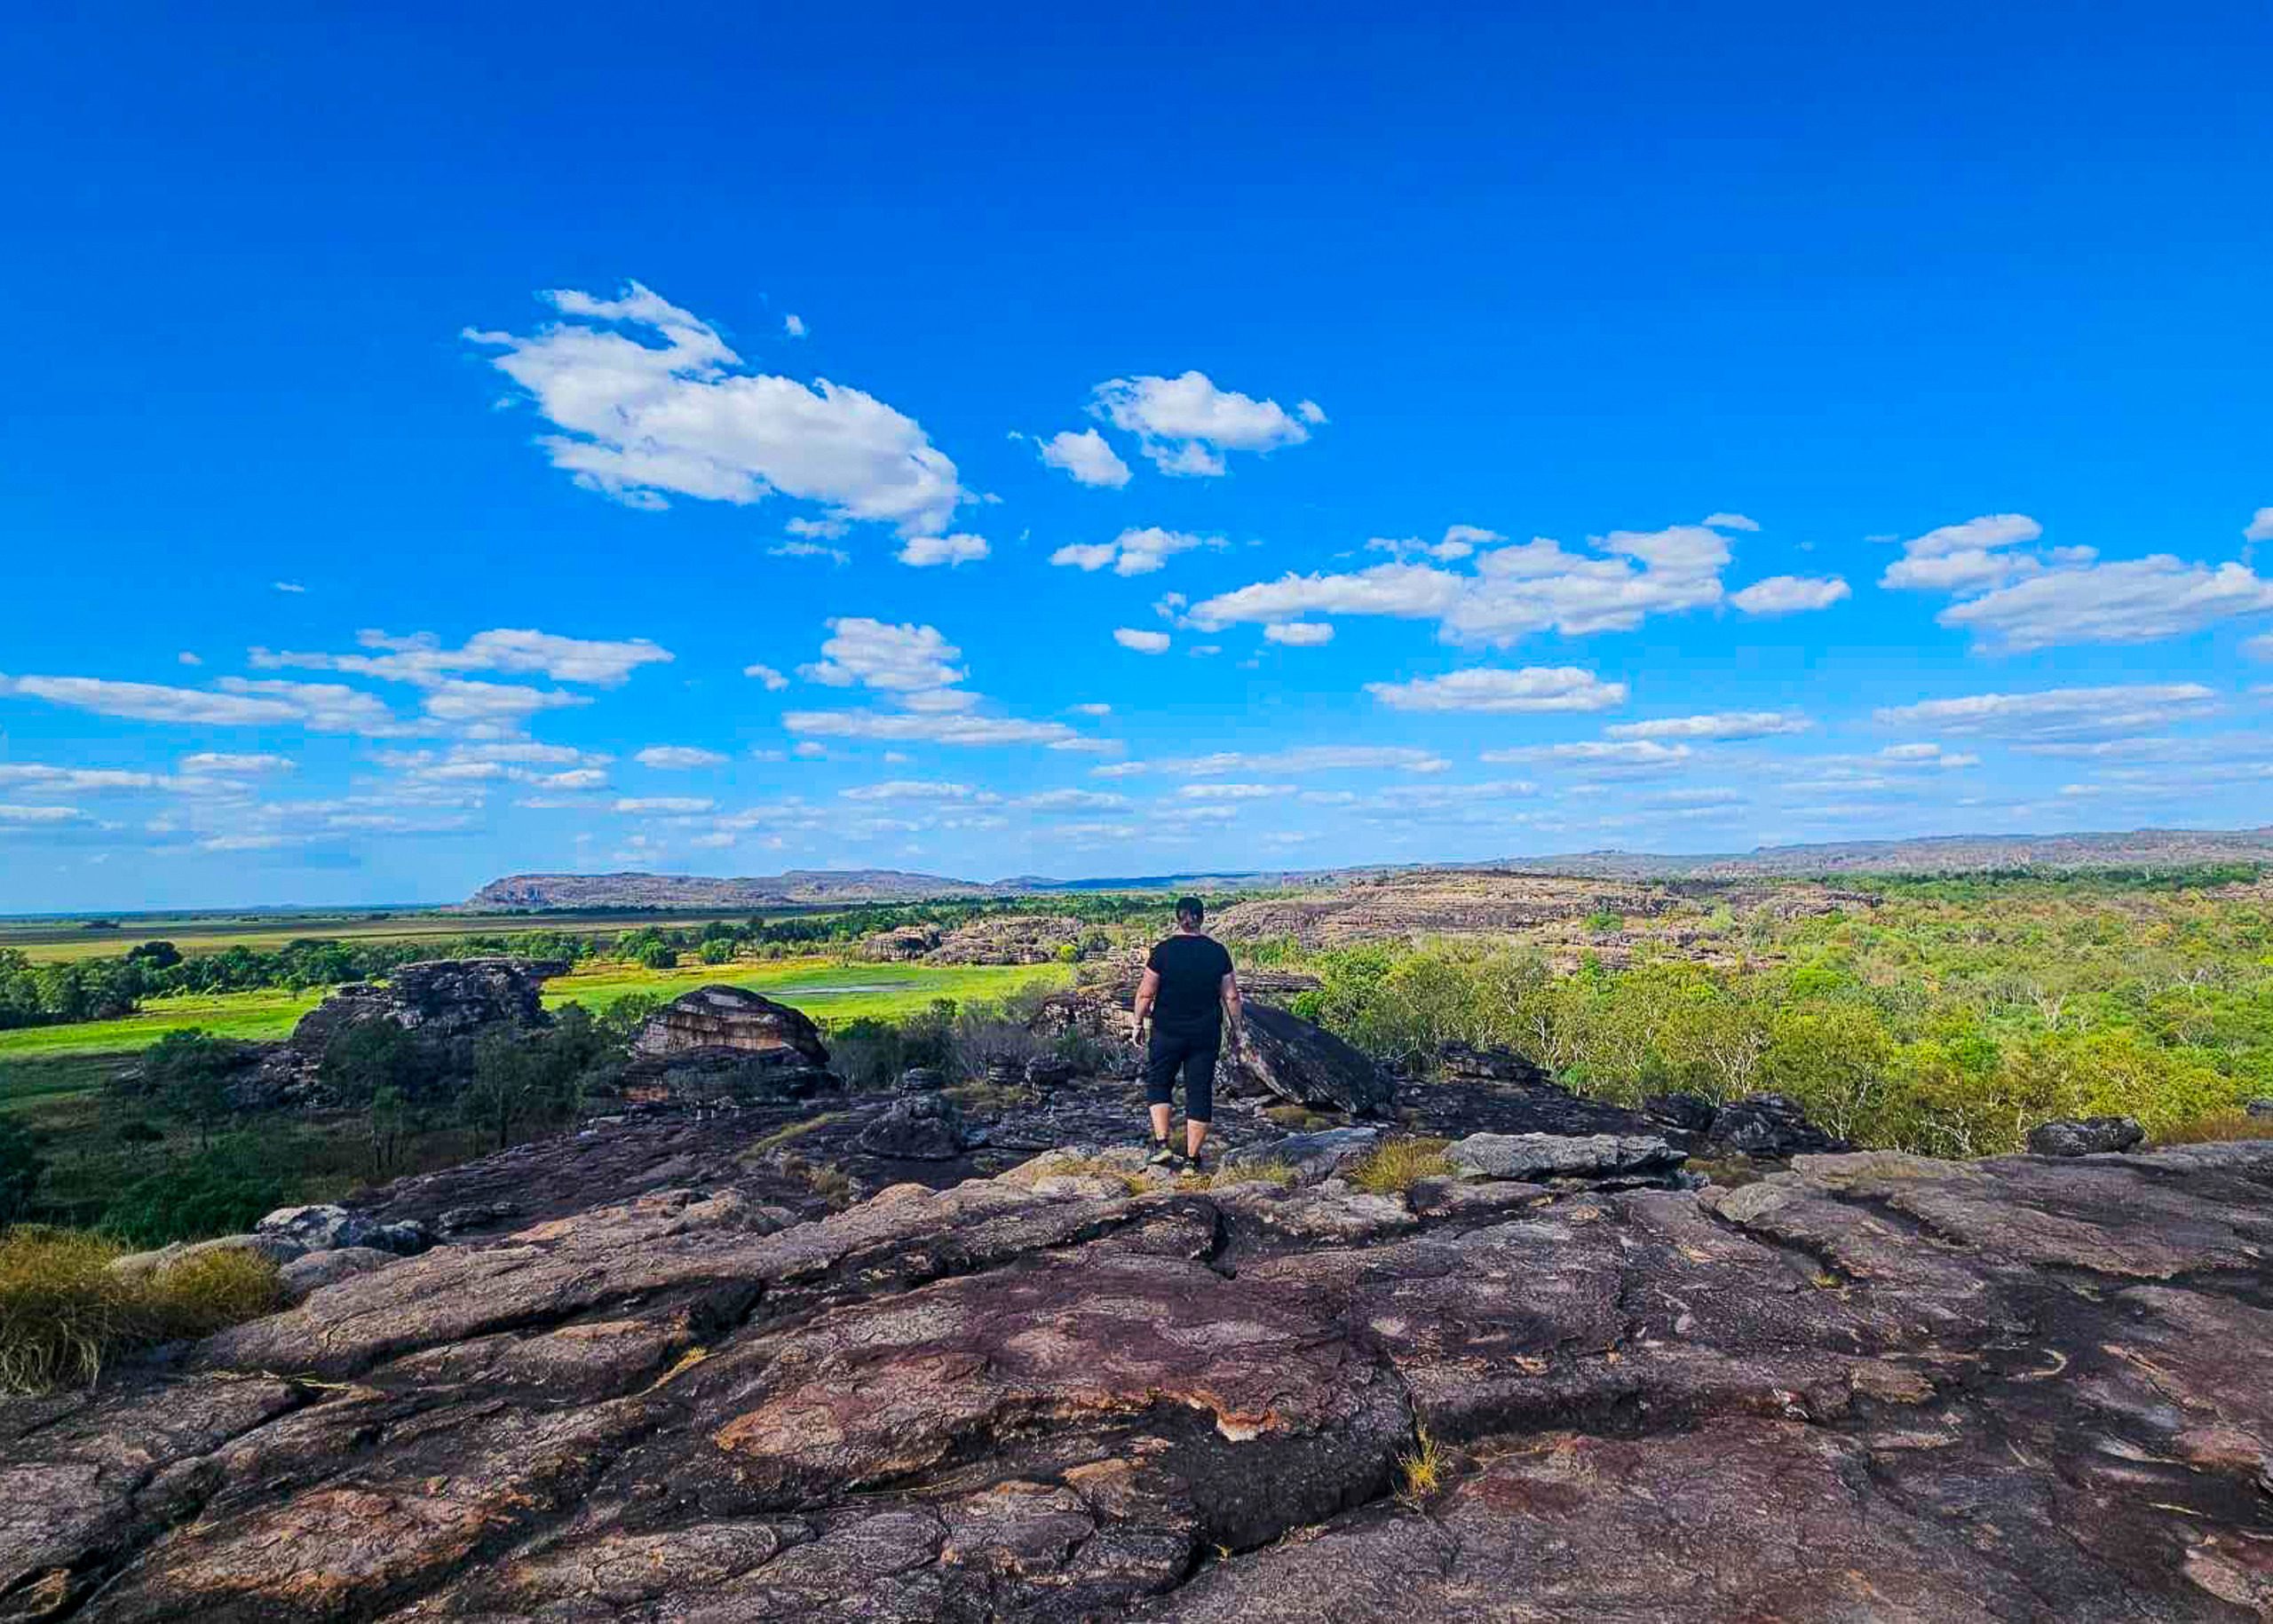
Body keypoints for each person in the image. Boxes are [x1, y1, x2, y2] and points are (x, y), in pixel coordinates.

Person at [1129, 895, 1242, 1171]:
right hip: (1205, 1034)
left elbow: (1146, 993)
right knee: (1199, 1092)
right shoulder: (1217, 952)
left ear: (1177, 918)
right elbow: (1232, 996)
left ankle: (1162, 1145)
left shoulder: (1163, 952)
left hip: (1167, 1031)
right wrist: (1237, 1030)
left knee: (1159, 1083)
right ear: (1202, 918)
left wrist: (1137, 1023)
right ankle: (1192, 1160)